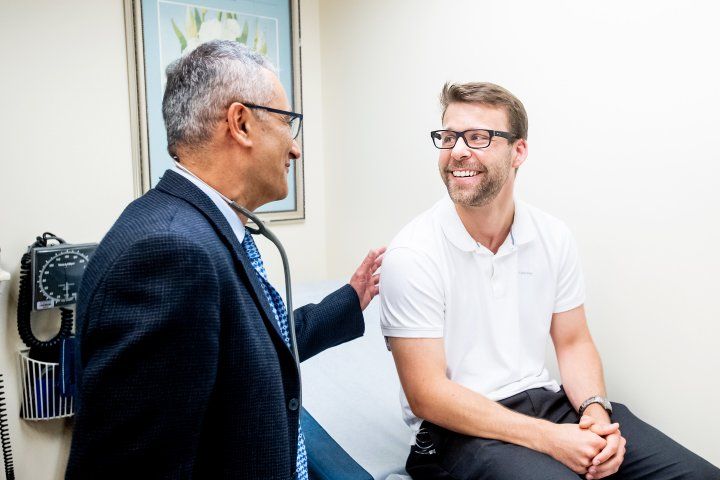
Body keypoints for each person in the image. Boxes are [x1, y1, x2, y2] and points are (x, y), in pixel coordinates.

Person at [66, 40, 384, 479]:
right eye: (287, 124)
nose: (295, 149)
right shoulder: (171, 254)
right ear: (241, 123)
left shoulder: (187, 224)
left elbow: (249, 346)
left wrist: (348, 299)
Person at [379, 81, 719, 480]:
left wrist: (594, 412)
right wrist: (551, 439)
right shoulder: (412, 254)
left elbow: (573, 342)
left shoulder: (552, 236)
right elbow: (428, 395)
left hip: (549, 403)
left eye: (478, 137)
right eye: (449, 137)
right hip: (460, 429)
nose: (457, 151)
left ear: (518, 151)